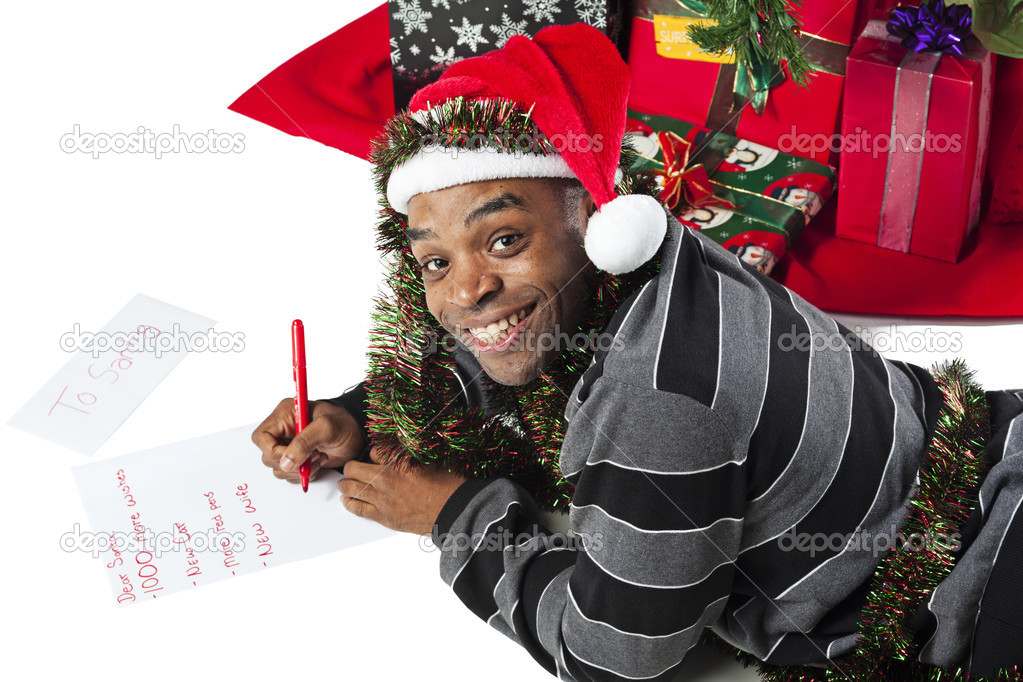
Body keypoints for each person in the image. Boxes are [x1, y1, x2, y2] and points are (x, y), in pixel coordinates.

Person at [250, 24, 1023, 681]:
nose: (465, 293)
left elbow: (616, 654)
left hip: (986, 594)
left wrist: (455, 514)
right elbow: (526, 337)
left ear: (591, 223)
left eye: (505, 240)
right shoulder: (665, 255)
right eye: (435, 262)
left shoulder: (658, 404)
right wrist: (364, 412)